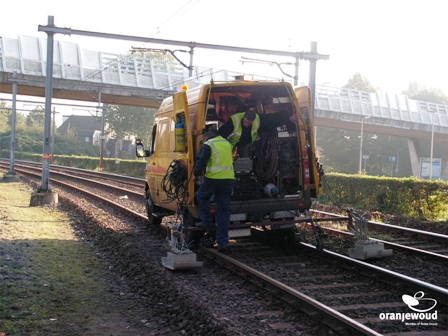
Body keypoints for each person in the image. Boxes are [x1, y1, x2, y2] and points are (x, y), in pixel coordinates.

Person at [193, 131, 235, 252]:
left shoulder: (209, 144)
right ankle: (222, 243)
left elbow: (201, 162)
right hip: (228, 180)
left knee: (201, 196)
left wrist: (195, 175)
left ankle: (206, 222)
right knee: (224, 211)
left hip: (213, 179)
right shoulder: (227, 143)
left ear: (206, 137)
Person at [217, 109, 299, 157]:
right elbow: (222, 133)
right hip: (230, 144)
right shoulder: (234, 120)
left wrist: (288, 118)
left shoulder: (258, 119)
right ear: (243, 117)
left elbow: (272, 118)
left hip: (244, 145)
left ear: (253, 121)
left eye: (248, 123)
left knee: (245, 162)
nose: (246, 124)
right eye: (245, 122)